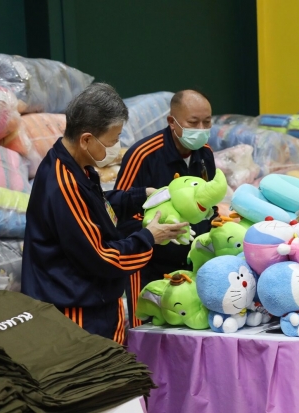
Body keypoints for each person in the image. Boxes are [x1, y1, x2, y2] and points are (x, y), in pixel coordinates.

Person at [22, 83, 189, 344]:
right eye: (113, 139)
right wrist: (149, 237)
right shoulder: (63, 184)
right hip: (75, 312)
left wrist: (139, 196)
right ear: (87, 139)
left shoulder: (79, 166)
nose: (116, 146)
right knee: (93, 380)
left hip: (95, 302)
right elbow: (101, 257)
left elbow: (97, 209)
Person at [114, 89, 217, 328]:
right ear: (172, 122)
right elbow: (120, 212)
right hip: (148, 266)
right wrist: (155, 230)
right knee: (147, 334)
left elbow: (208, 205)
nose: (201, 128)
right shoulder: (143, 155)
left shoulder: (206, 155)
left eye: (207, 121)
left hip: (192, 265)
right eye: (193, 122)